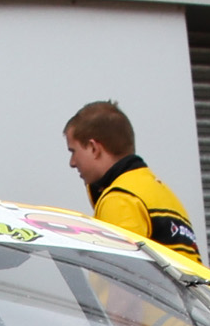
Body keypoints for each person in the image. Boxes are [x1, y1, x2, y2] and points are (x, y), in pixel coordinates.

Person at [62, 102, 202, 263]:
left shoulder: (120, 200)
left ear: (94, 148)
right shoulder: (160, 192)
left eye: (73, 151)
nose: (72, 162)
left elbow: (119, 272)